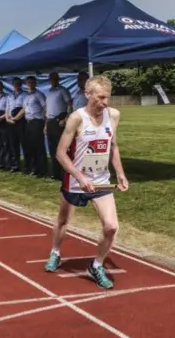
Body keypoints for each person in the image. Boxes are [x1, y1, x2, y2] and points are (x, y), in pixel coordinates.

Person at [43, 75, 128, 290]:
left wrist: (120, 173)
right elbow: (61, 154)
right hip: (75, 181)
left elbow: (114, 146)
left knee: (111, 227)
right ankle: (55, 252)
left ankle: (96, 264)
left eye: (107, 98)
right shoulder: (76, 118)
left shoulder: (114, 115)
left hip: (101, 182)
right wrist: (80, 177)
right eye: (100, 97)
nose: (104, 102)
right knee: (63, 221)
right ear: (87, 94)